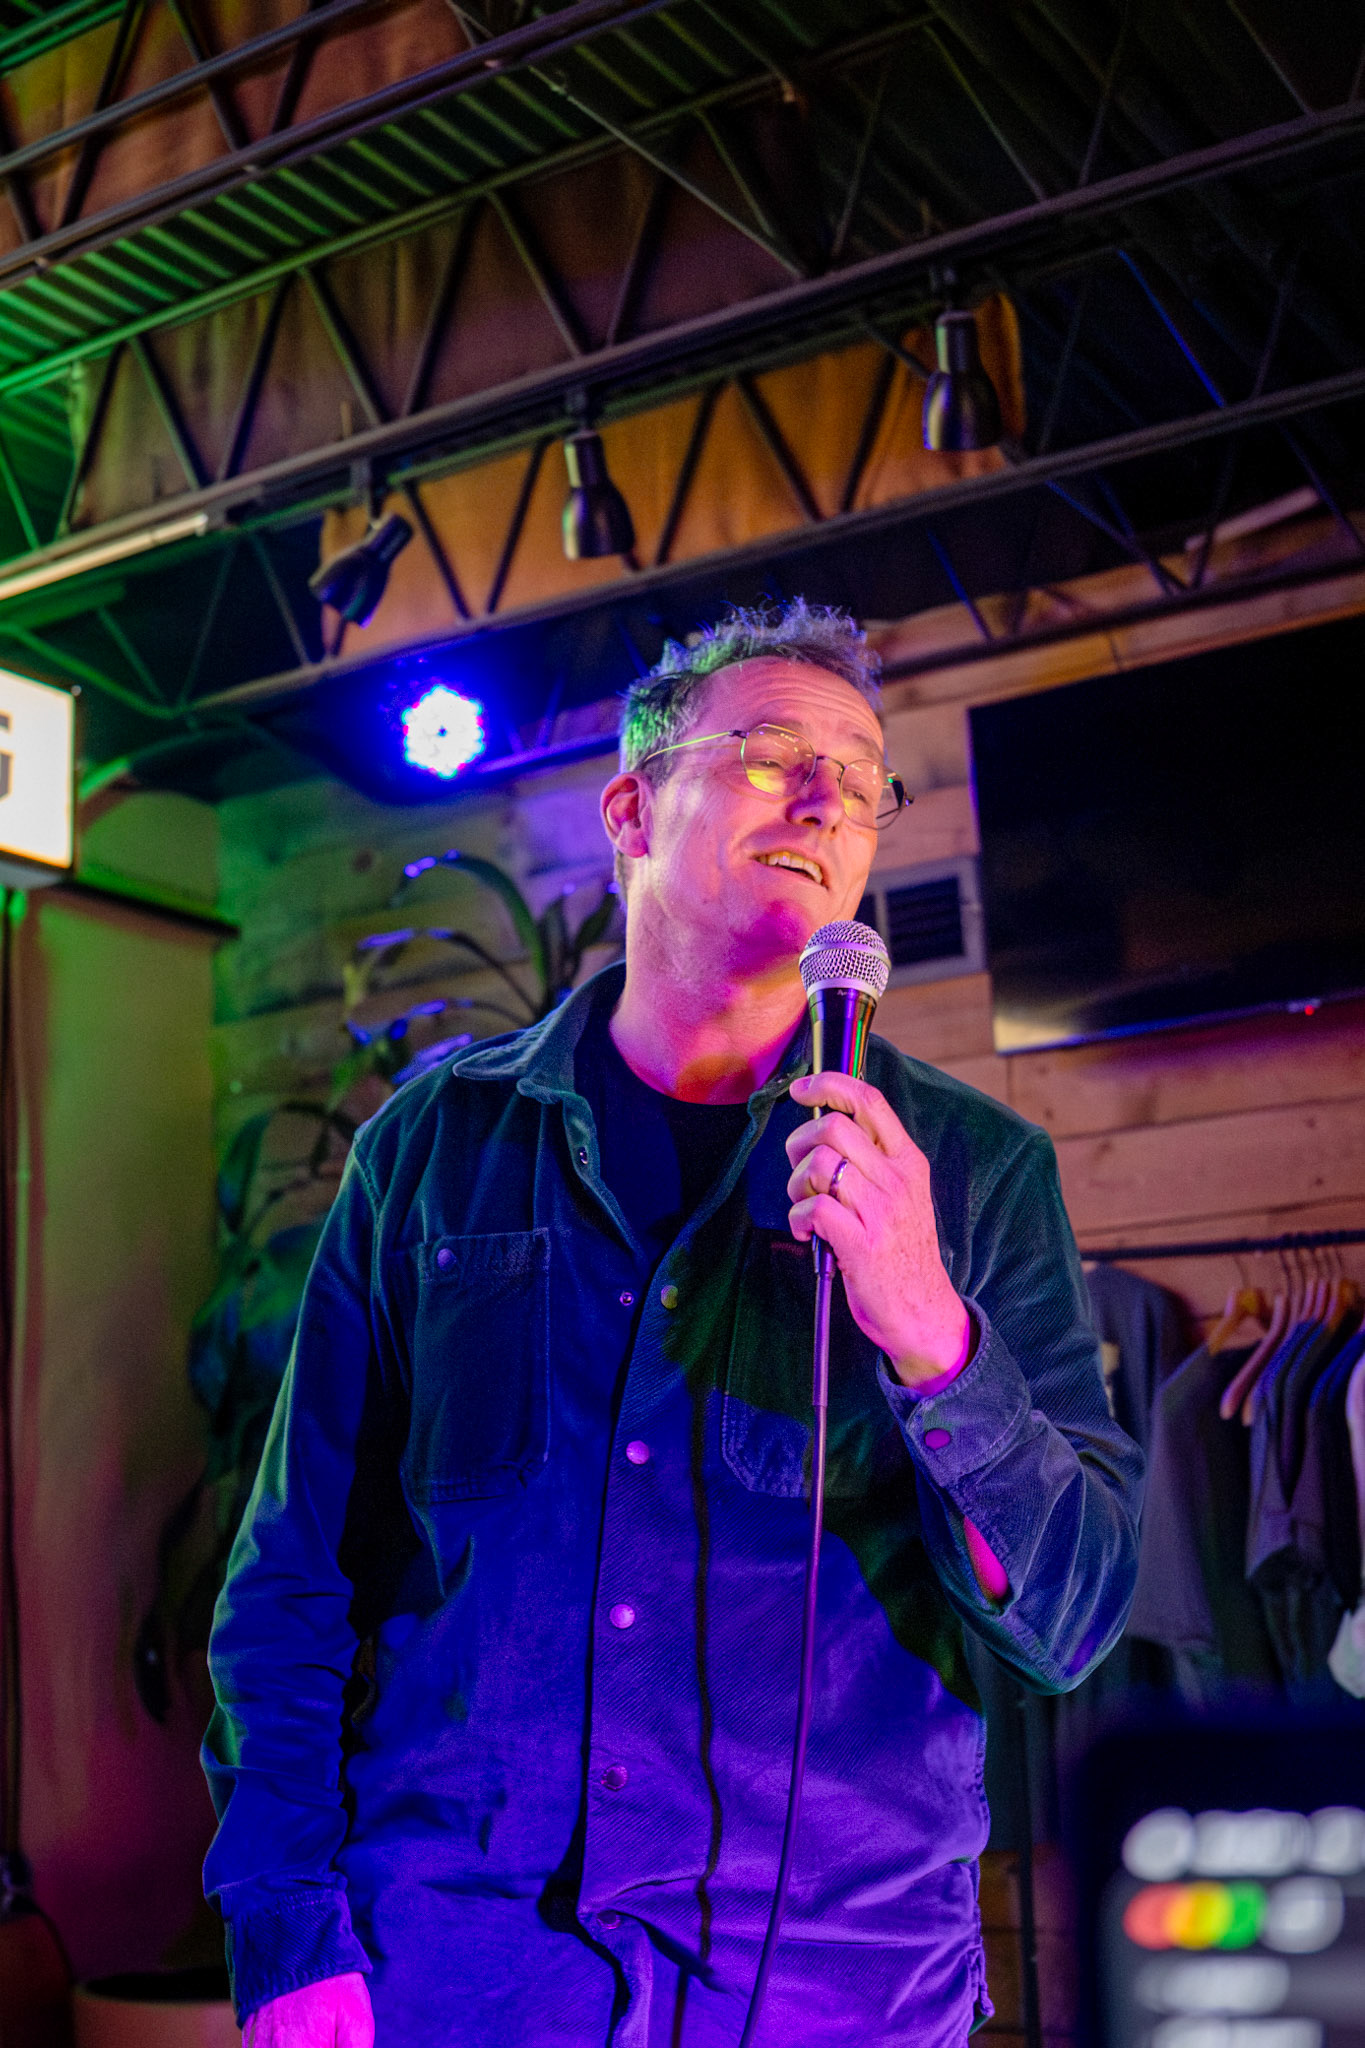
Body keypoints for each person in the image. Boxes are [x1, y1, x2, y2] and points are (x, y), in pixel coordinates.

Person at [203, 600, 1143, 2048]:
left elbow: (1071, 1620)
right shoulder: (433, 1149)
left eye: (862, 777)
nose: (825, 798)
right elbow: (294, 1575)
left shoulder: (974, 1173)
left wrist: (931, 1335)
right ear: (631, 811)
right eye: (772, 752)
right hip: (467, 1964)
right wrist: (285, 1926)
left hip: (831, 1981)